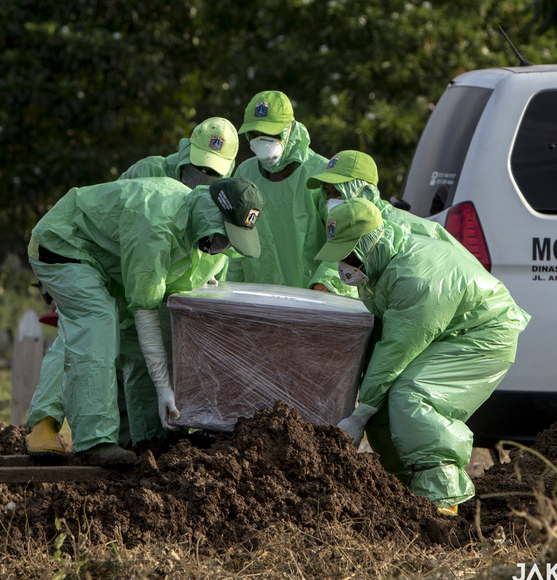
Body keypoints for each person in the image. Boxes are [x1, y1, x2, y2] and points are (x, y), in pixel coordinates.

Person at [25, 118, 241, 456]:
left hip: (130, 276)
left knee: (141, 350)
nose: (205, 178)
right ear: (186, 152)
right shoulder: (152, 179)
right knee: (92, 325)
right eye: (200, 168)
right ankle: (58, 427)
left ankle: (149, 443)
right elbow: (118, 232)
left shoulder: (218, 217)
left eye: (215, 174)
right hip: (81, 253)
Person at [317, 198, 530, 514]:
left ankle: (444, 500)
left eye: (349, 255)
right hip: (446, 329)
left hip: (485, 332)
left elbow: (394, 349)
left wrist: (359, 412)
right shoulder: (380, 264)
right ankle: (406, 493)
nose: (343, 266)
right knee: (381, 412)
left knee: (414, 396)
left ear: (369, 243)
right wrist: (365, 408)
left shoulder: (414, 279)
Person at [228, 90, 348, 294]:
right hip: (255, 300)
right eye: (254, 135)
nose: (261, 141)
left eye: (269, 133)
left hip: (311, 301)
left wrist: (326, 284)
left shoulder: (322, 175)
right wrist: (231, 291)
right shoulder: (245, 173)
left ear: (290, 129)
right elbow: (237, 244)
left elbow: (345, 238)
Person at [307, 149, 475, 259]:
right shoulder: (349, 229)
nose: (331, 201)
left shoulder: (401, 229)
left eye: (339, 192)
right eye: (328, 194)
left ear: (364, 191)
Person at [119, 117, 240, 188]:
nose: (202, 176)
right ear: (188, 150)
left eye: (212, 173)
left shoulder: (223, 200)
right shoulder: (148, 172)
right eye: (197, 166)